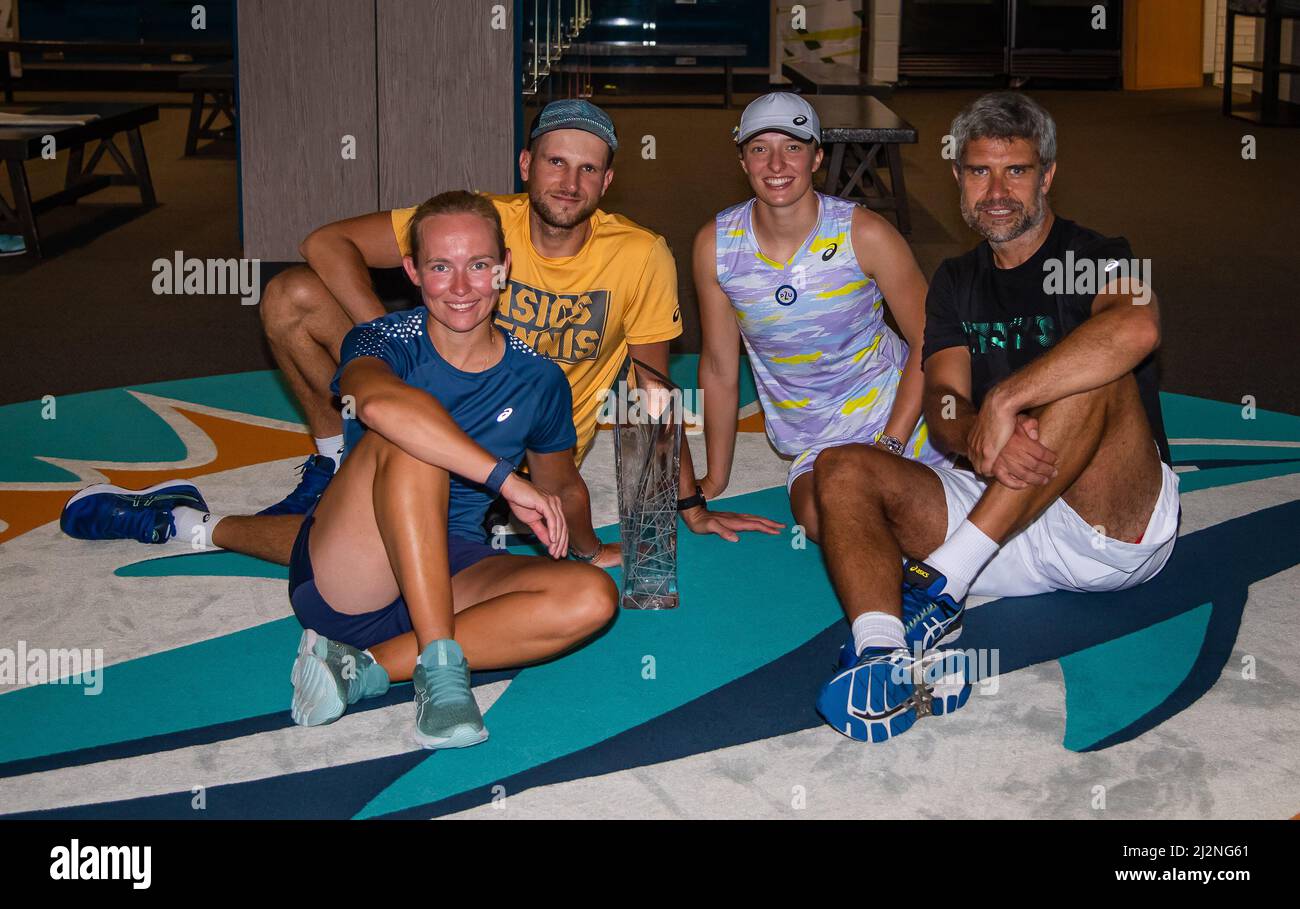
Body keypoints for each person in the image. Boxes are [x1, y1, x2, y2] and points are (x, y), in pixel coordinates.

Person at [65, 191, 619, 748]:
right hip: (354, 580)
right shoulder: (382, 338)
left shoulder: (539, 377)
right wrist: (504, 479)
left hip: (454, 563)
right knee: (407, 441)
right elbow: (380, 407)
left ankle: (359, 669)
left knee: (591, 598)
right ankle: (442, 674)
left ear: (503, 269)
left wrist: (593, 548)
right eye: (440, 266)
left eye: (478, 266)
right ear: (412, 271)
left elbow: (560, 484)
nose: (460, 287)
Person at [812, 91, 1179, 744]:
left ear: (1048, 175)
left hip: (1107, 526)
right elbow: (944, 399)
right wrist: (977, 438)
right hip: (1003, 506)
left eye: (1017, 170)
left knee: (1096, 372)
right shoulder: (956, 279)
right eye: (980, 171)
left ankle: (943, 584)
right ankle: (882, 651)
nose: (998, 190)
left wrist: (1008, 402)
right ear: (957, 176)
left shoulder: (1091, 254)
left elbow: (1138, 325)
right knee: (837, 468)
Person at [693, 91, 949, 548]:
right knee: (822, 523)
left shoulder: (865, 233)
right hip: (814, 442)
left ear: (816, 157)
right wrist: (715, 477)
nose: (776, 164)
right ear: (742, 161)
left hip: (901, 419)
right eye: (759, 148)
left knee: (925, 515)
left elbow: (931, 341)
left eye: (793, 147)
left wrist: (890, 444)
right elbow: (717, 365)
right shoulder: (716, 246)